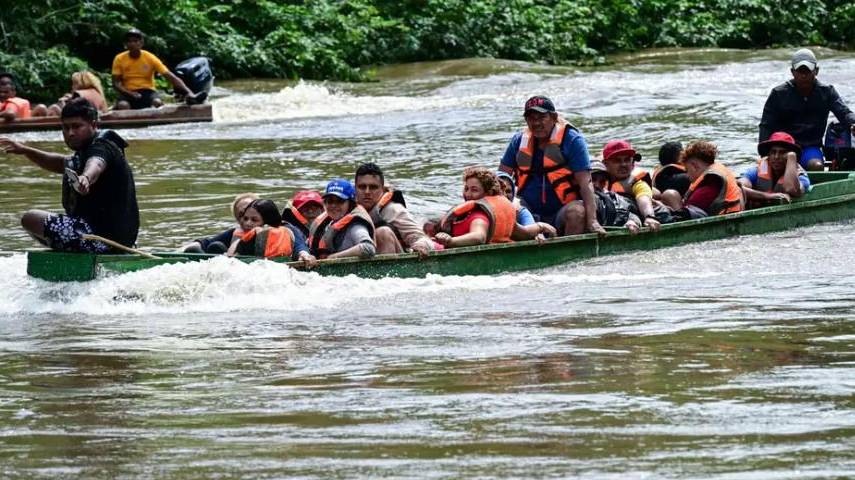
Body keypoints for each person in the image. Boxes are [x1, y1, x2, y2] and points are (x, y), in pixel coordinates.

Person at [0, 97, 138, 252]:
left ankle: (101, 252)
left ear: (93, 124)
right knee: (38, 224)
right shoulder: (84, 151)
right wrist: (26, 150)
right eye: (65, 128)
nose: (70, 133)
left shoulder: (102, 147)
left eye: (76, 126)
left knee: (31, 218)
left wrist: (85, 178)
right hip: (104, 236)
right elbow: (61, 163)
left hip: (105, 240)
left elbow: (96, 164)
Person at [499, 95, 605, 236]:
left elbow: (586, 183)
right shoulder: (518, 141)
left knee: (577, 212)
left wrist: (592, 221)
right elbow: (501, 180)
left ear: (554, 117)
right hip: (528, 209)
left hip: (563, 210)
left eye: (542, 117)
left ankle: (571, 253)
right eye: (531, 118)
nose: (536, 123)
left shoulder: (572, 140)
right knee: (510, 210)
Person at [759, 48, 855, 171]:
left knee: (817, 166)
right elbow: (766, 126)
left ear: (816, 71)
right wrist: (764, 155)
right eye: (800, 71)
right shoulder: (778, 94)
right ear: (792, 72)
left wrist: (853, 123)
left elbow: (844, 113)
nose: (804, 75)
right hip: (783, 148)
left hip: (810, 148)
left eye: (808, 71)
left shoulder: (827, 92)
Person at [434, 166, 554, 248]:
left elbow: (479, 237)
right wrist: (540, 226)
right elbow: (523, 233)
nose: (468, 194)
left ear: (489, 192)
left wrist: (451, 241)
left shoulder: (480, 215)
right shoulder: (491, 211)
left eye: (474, 190)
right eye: (466, 189)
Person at [353, 162, 435, 256]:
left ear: (382, 189)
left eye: (373, 187)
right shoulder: (345, 207)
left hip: (396, 262)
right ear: (355, 188)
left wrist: (421, 245)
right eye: (362, 187)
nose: (367, 192)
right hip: (361, 255)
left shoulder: (394, 210)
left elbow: (422, 238)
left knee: (383, 232)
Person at [111, 28, 197, 109]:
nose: (132, 44)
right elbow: (116, 84)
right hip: (128, 92)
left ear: (141, 43)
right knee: (123, 105)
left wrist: (189, 92)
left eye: (135, 41)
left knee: (157, 102)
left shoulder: (150, 57)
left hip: (147, 91)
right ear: (126, 44)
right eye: (129, 41)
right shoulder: (119, 58)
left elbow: (170, 77)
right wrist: (130, 94)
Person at [660, 141, 744, 219]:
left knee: (669, 195)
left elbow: (689, 210)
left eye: (687, 170)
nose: (688, 176)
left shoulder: (711, 181)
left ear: (694, 166)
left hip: (723, 219)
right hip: (726, 212)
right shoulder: (718, 169)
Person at [226, 199, 317, 265]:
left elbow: (299, 245)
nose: (247, 223)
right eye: (245, 218)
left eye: (254, 220)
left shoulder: (287, 230)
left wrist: (304, 254)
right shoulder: (238, 232)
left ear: (267, 222)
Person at [601, 140, 661, 232]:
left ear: (633, 163)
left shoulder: (637, 183)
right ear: (605, 164)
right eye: (617, 161)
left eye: (627, 160)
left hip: (635, 219)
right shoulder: (596, 182)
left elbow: (643, 198)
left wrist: (649, 216)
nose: (623, 164)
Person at [308, 179, 376, 259]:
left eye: (339, 201)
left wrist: (335, 257)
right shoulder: (326, 223)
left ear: (350, 203)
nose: (333, 205)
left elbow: (368, 248)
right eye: (330, 201)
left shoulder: (356, 226)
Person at [739, 131, 810, 208]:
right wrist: (768, 196)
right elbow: (738, 188)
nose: (776, 157)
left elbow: (791, 189)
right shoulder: (756, 171)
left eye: (782, 153)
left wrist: (792, 157)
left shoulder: (801, 177)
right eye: (773, 152)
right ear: (768, 155)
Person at [180, 192, 258, 254]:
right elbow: (206, 242)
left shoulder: (267, 232)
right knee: (195, 249)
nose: (248, 221)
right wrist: (178, 251)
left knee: (217, 246)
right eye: (242, 215)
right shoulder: (233, 234)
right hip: (226, 265)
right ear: (237, 219)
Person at [495, 170, 553, 242]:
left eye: (508, 191)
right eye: (500, 191)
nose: (504, 195)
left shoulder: (520, 211)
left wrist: (537, 233)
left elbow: (529, 226)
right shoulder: (482, 209)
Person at [591, 161, 644, 233]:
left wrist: (632, 222)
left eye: (602, 181)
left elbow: (629, 214)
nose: (597, 185)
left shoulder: (614, 199)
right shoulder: (574, 199)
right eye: (593, 179)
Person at [43, 71, 109, 116]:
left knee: (53, 108)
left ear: (80, 83)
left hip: (82, 119)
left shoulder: (79, 94)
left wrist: (62, 102)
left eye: (74, 84)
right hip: (91, 118)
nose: (72, 87)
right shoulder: (98, 94)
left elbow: (71, 113)